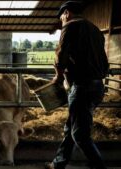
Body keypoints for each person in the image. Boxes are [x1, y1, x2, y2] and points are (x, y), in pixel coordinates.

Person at [45, 1, 109, 169]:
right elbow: (104, 62)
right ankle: (58, 163)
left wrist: (58, 77)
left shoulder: (70, 26)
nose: (61, 23)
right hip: (97, 87)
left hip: (82, 87)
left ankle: (99, 166)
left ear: (66, 13)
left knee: (79, 134)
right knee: (72, 126)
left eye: (61, 19)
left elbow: (61, 56)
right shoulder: (96, 30)